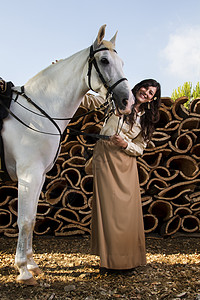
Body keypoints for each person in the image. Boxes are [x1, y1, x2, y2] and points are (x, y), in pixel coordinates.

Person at [82, 78, 161, 273]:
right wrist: (71, 82)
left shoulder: (147, 118)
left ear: (153, 99)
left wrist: (125, 144)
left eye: (151, 93)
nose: (147, 93)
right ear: (139, 86)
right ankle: (108, 260)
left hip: (125, 162)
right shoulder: (118, 98)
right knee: (107, 210)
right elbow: (91, 101)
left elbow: (140, 148)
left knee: (126, 212)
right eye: (146, 88)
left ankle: (127, 260)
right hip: (105, 157)